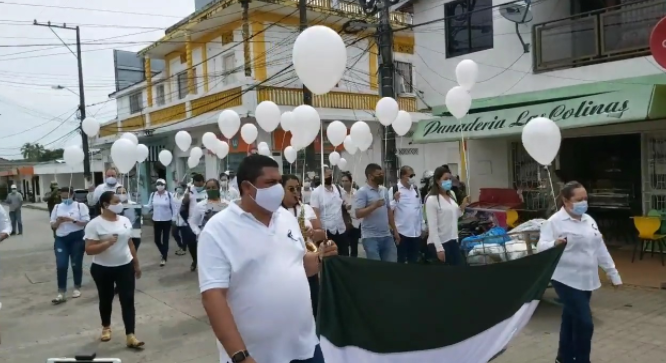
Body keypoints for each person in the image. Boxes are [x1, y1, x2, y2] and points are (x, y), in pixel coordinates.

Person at [198, 155, 337, 363]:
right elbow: (213, 297)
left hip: (305, 347)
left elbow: (299, 264)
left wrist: (319, 257)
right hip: (257, 355)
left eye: (279, 182)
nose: (279, 188)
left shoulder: (286, 219)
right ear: (247, 187)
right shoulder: (218, 229)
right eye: (270, 183)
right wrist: (240, 356)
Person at [537, 181, 622, 363]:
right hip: (565, 278)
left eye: (585, 198)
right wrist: (554, 243)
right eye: (579, 199)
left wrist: (612, 273)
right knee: (585, 323)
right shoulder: (554, 222)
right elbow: (540, 247)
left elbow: (600, 247)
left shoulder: (588, 220)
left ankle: (563, 357)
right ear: (566, 201)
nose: (584, 202)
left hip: (587, 279)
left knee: (570, 318)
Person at [84, 191, 144, 349]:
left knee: (128, 300)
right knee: (106, 299)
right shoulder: (95, 224)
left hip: (125, 266)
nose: (120, 204)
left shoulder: (124, 220)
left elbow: (129, 243)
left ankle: (130, 335)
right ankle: (106, 326)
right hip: (102, 268)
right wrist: (106, 243)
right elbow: (89, 249)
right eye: (116, 201)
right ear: (105, 205)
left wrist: (136, 264)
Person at [281, 174, 327, 318]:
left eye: (298, 188)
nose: (296, 191)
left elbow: (323, 234)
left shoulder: (305, 209)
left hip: (309, 265)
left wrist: (312, 233)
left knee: (314, 304)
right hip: (286, 266)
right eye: (291, 188)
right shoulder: (274, 213)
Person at [50, 187, 90, 304]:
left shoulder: (80, 206)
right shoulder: (57, 207)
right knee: (61, 265)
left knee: (76, 263)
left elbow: (86, 221)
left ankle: (77, 287)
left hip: (76, 237)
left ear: (72, 195)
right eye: (62, 197)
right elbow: (52, 225)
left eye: (67, 196)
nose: (65, 199)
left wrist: (72, 220)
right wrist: (59, 221)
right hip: (61, 238)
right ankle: (61, 292)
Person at [424, 166, 469, 265]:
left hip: (452, 240)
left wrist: (463, 206)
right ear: (437, 180)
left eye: (450, 179)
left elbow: (455, 215)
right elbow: (432, 227)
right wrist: (439, 248)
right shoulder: (432, 199)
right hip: (440, 242)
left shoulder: (451, 196)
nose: (448, 181)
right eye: (445, 179)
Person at [354, 163, 398, 262]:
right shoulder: (362, 192)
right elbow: (358, 214)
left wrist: (395, 229)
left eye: (382, 174)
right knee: (376, 269)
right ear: (370, 176)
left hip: (387, 235)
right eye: (378, 174)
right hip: (370, 237)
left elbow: (389, 211)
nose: (381, 176)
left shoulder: (384, 190)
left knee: (392, 266)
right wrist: (374, 206)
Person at [188, 179, 230, 272]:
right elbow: (192, 222)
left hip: (224, 240)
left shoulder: (227, 205)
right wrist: (198, 233)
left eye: (213, 187)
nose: (211, 190)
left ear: (218, 188)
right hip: (206, 240)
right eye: (208, 188)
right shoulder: (200, 206)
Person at [310, 166, 351, 256]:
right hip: (327, 231)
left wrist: (347, 205)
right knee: (330, 257)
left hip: (341, 229)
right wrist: (320, 232)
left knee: (344, 255)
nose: (330, 177)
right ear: (321, 176)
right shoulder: (316, 193)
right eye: (327, 175)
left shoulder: (338, 189)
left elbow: (344, 200)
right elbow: (315, 213)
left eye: (331, 174)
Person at [389, 165, 423, 264]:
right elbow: (389, 211)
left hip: (416, 232)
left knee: (414, 259)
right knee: (401, 260)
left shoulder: (416, 189)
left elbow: (419, 208)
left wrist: (422, 225)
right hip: (401, 232)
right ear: (402, 176)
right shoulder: (394, 189)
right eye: (410, 176)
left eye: (413, 175)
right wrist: (394, 230)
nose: (412, 178)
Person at [145, 178, 176, 267]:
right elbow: (150, 205)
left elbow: (173, 207)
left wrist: (174, 218)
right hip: (156, 220)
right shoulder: (153, 195)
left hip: (167, 219)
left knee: (165, 239)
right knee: (157, 240)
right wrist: (141, 206)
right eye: (158, 184)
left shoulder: (169, 195)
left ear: (164, 185)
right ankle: (163, 252)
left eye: (161, 184)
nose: (159, 186)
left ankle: (164, 257)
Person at [339, 172, 360, 257]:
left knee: (354, 246)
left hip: (355, 223)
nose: (344, 183)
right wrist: (344, 207)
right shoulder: (340, 194)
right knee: (344, 246)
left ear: (351, 182)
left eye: (346, 181)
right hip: (344, 223)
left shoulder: (357, 193)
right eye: (343, 181)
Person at [116, 186, 141, 251]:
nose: (121, 194)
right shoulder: (114, 207)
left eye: (124, 192)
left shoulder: (134, 205)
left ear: (127, 193)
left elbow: (139, 219)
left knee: (133, 253)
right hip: (121, 235)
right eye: (119, 193)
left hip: (134, 234)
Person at [172, 184, 188, 256]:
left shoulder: (186, 196)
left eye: (180, 188)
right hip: (175, 218)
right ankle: (180, 246)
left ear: (184, 189)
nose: (178, 189)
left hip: (184, 218)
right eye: (177, 187)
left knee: (184, 235)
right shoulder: (173, 195)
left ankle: (183, 249)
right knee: (174, 233)